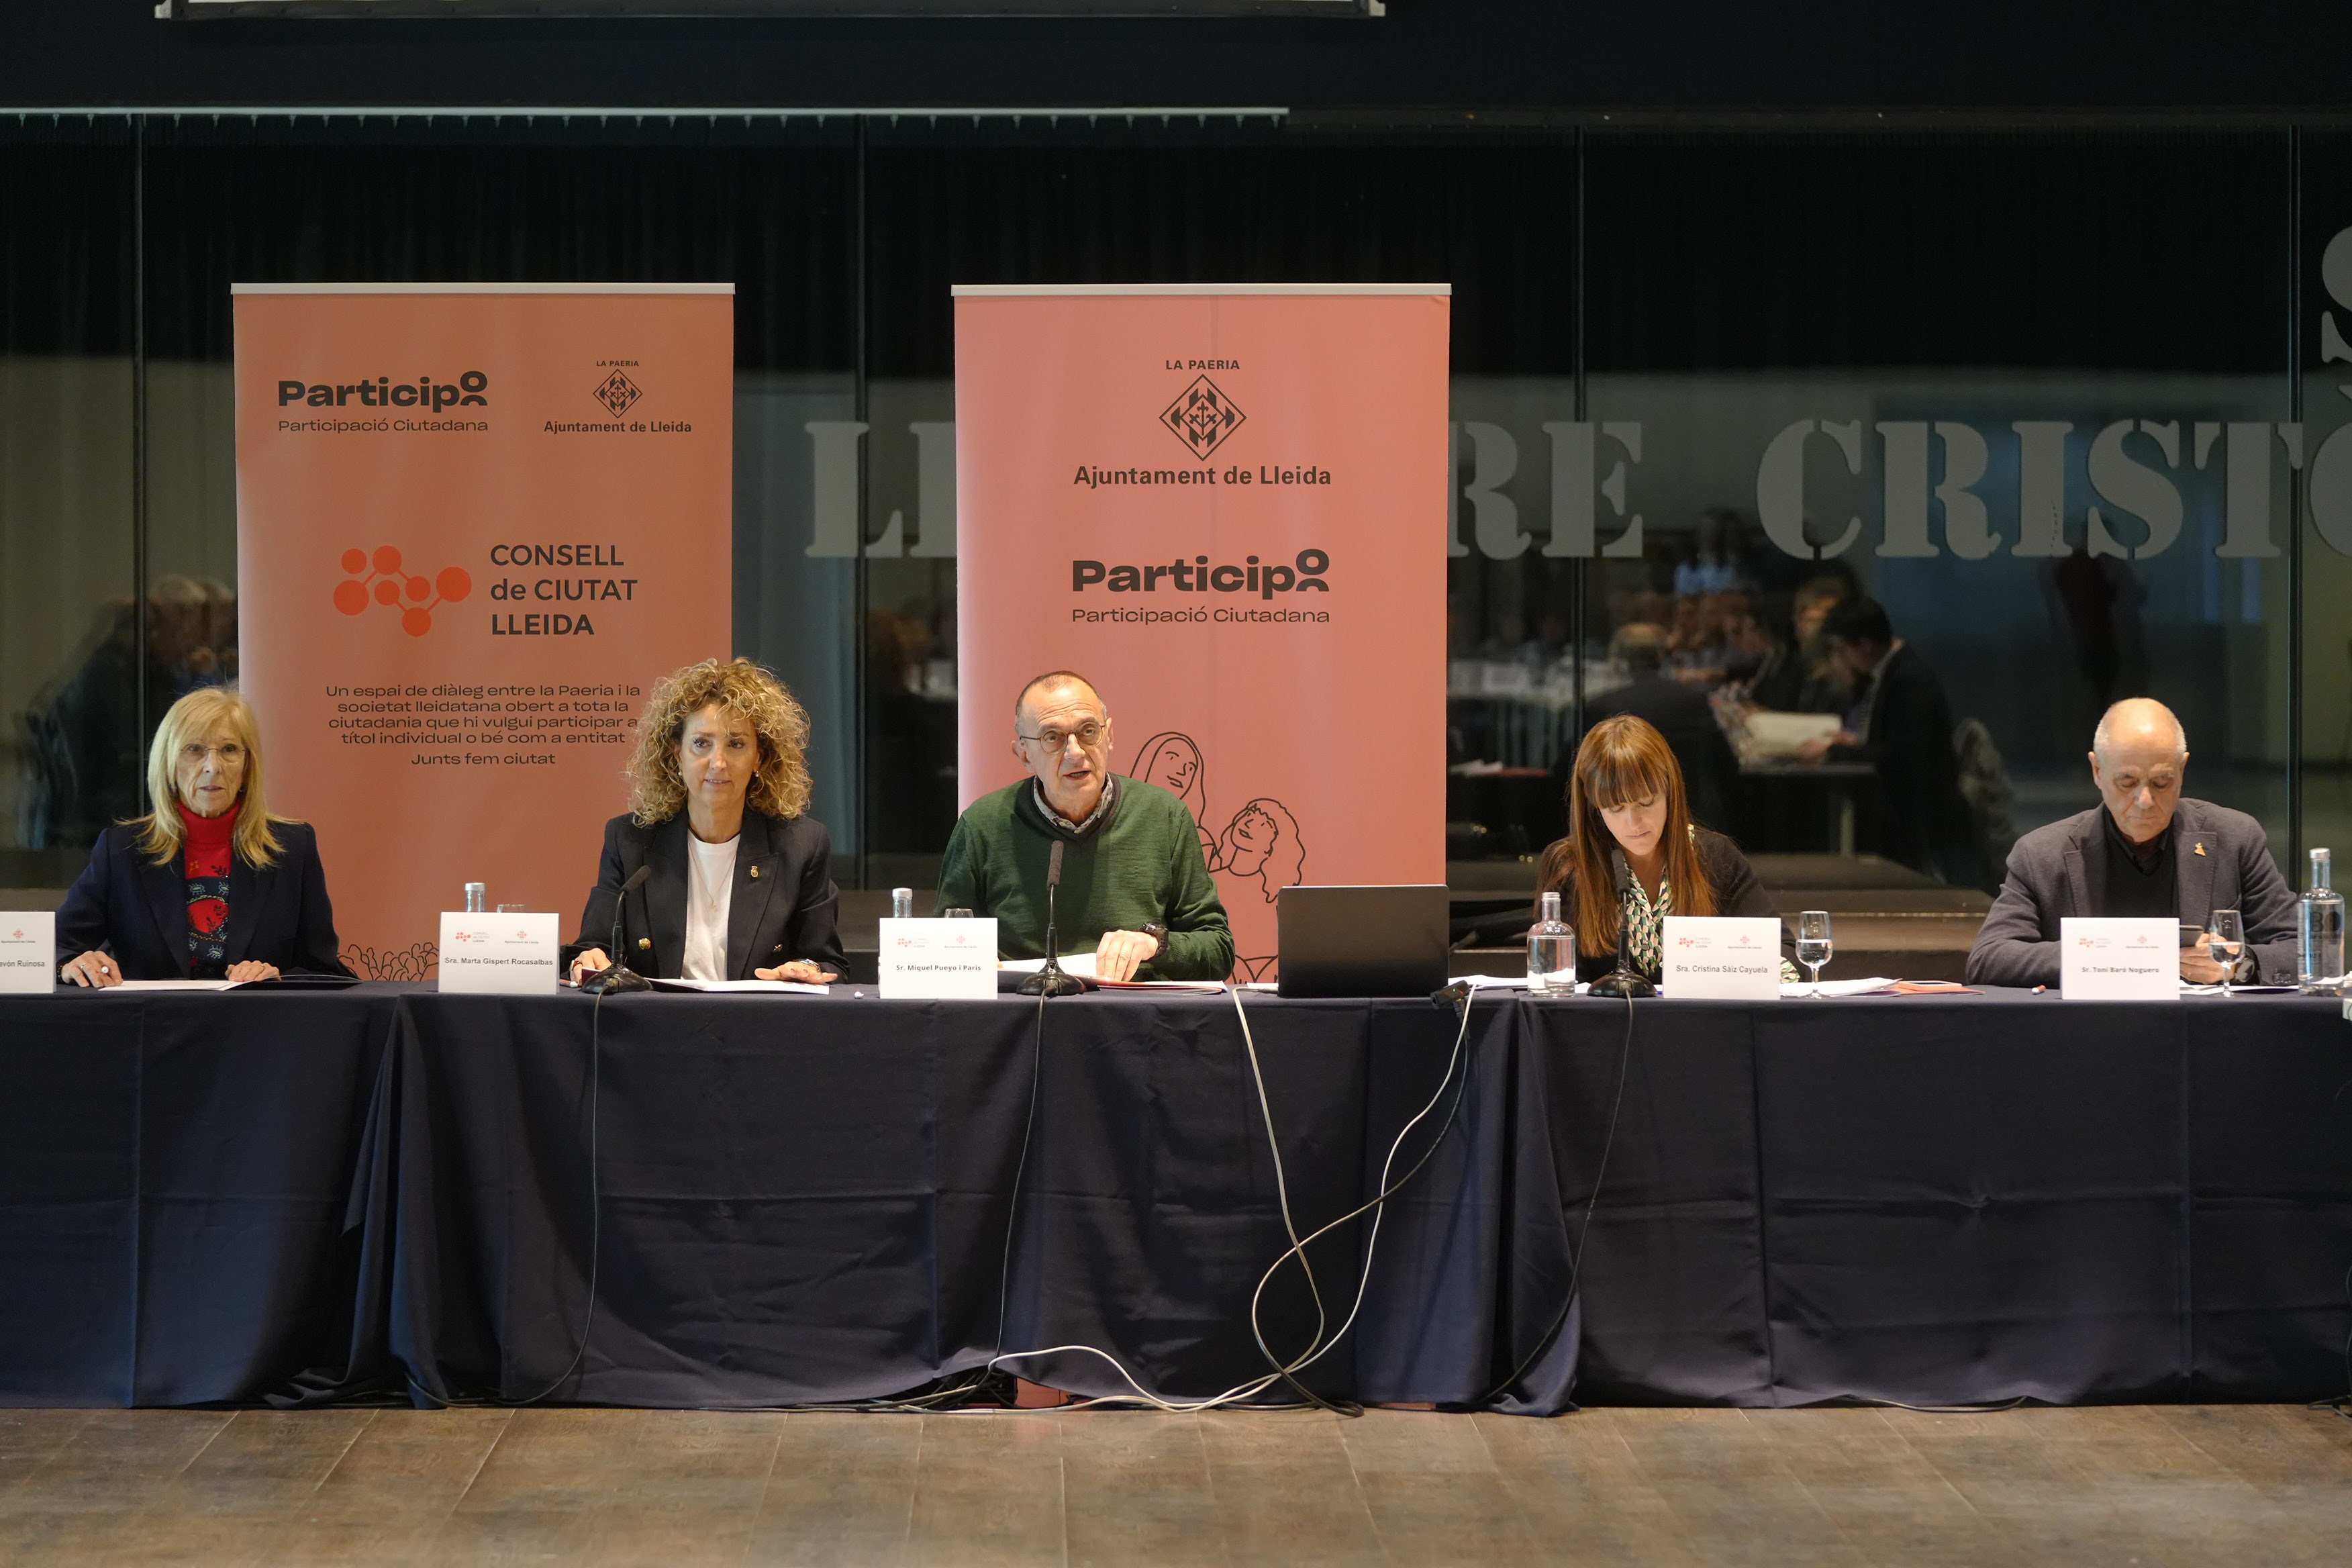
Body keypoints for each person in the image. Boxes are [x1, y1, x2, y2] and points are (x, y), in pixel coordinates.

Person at [1966, 698, 2297, 987]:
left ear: (2182, 770)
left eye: (2162, 782)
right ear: (2097, 771)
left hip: (2203, 1027)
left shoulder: (2234, 839)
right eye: (2127, 782)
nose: (2145, 800)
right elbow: (1989, 957)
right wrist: (2114, 955)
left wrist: (2239, 964)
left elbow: (2301, 949)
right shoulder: (2041, 854)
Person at [936, 671, 1232, 982]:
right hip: (1026, 1005)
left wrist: (1155, 944)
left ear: (1110, 737)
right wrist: (966, 960)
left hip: (1134, 1007)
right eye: (1053, 738)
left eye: (1089, 731)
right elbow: (943, 951)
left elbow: (1218, 950)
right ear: (1024, 754)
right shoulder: (982, 824)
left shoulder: (1166, 816)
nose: (1075, 752)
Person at [568, 658, 846, 985]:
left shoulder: (802, 845)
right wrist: (588, 961)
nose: (718, 762)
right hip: (658, 1014)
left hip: (759, 1014)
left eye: (736, 744)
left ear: (759, 757)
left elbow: (827, 962)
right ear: (677, 753)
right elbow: (593, 948)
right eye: (701, 743)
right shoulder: (629, 840)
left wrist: (804, 969)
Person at [55, 686, 350, 985]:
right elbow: (59, 946)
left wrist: (277, 977)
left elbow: (322, 969)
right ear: (169, 764)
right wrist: (71, 963)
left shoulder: (292, 848)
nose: (213, 767)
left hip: (256, 1014)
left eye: (229, 749)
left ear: (248, 766)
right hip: (154, 1016)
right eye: (194, 750)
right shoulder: (122, 849)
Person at [1536, 714, 1797, 987]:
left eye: (1646, 803)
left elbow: (1786, 953)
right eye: (1615, 808)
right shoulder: (1568, 865)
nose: (1633, 823)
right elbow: (1554, 979)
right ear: (1593, 806)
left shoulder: (1715, 855)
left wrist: (1737, 974)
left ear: (1669, 792)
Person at [1798, 596, 1985, 888]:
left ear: (1864, 645)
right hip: (1914, 815)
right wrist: (1855, 743)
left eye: (1842, 650)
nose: (1842, 659)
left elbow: (1902, 756)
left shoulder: (1908, 680)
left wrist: (1835, 750)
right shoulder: (1895, 671)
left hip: (1922, 822)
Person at [1557, 624, 1742, 835]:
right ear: (1662, 656)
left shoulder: (1602, 707)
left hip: (1618, 830)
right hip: (1694, 818)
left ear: (1619, 660)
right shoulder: (1693, 702)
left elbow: (1567, 774)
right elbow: (1726, 766)